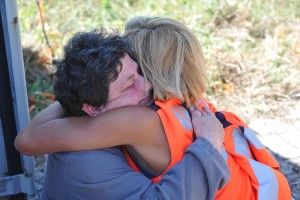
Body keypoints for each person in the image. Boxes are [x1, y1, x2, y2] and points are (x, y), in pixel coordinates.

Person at [16, 17, 291, 199]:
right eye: (128, 85)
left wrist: (74, 97)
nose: (145, 86)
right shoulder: (186, 101)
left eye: (139, 72)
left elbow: (28, 140)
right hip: (267, 185)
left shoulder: (137, 119)